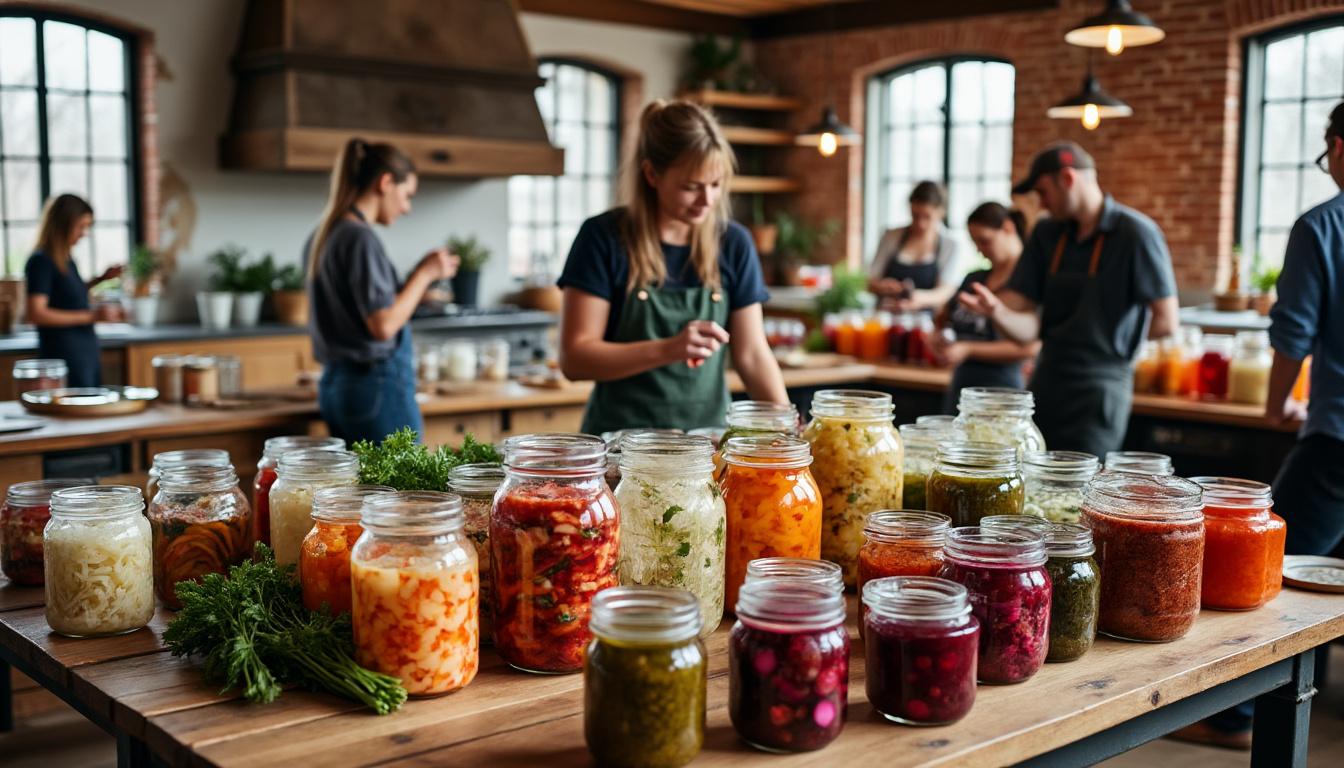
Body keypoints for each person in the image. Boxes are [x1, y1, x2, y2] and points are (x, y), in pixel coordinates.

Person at [1177, 100, 1344, 751]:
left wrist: (1279, 406)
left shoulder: (1323, 225)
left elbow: (1295, 328)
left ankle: (1236, 718)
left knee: (1264, 564)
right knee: (1320, 567)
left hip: (1336, 440)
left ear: (1339, 146)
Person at [558, 99, 788, 435]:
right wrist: (668, 349)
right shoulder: (603, 238)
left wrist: (785, 428)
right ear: (652, 174)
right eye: (691, 187)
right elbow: (575, 359)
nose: (707, 200)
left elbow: (752, 354)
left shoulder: (733, 242)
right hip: (620, 449)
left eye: (715, 184)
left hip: (706, 446)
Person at [957, 142, 1179, 457]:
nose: (1042, 204)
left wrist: (1113, 340)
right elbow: (1025, 321)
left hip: (1100, 390)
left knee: (1082, 486)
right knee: (1033, 479)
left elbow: (1167, 321)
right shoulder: (1047, 233)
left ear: (1068, 178)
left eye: (1044, 193)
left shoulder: (1136, 234)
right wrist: (995, 311)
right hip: (1046, 380)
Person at [307, 138, 458, 444]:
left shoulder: (325, 234)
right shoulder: (359, 238)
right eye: (406, 195)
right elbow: (383, 325)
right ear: (385, 182)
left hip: (338, 386)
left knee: (358, 491)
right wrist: (426, 274)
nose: (407, 207)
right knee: (401, 491)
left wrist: (416, 290)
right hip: (375, 389)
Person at [930, 202, 1040, 413]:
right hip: (962, 390)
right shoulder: (975, 279)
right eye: (975, 243)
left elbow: (1029, 347)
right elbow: (943, 317)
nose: (980, 250)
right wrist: (938, 336)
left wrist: (968, 349)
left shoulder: (1028, 284)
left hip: (1002, 393)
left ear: (1008, 228)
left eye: (985, 241)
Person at [24, 194, 123, 387]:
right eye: (81, 226)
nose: (84, 233)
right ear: (62, 224)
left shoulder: (66, 260)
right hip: (64, 355)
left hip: (84, 352)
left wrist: (101, 279)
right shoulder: (41, 261)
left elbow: (66, 294)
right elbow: (36, 313)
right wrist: (92, 316)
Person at [868, 180, 960, 312]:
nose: (920, 223)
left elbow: (946, 291)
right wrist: (884, 286)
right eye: (915, 216)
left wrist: (917, 298)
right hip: (886, 317)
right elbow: (870, 281)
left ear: (941, 212)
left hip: (926, 322)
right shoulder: (891, 236)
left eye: (927, 217)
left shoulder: (950, 245)